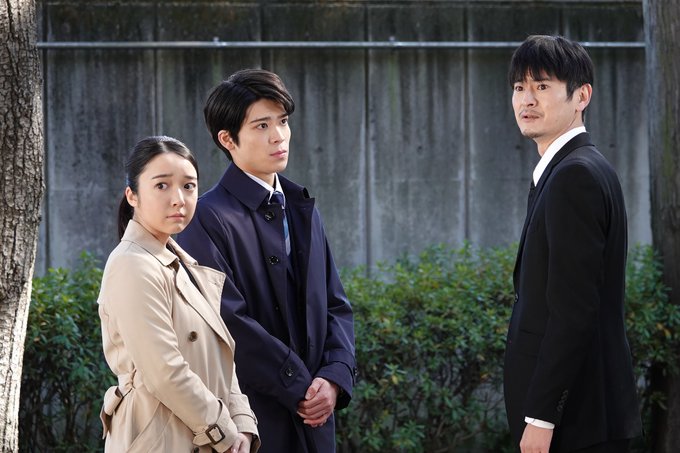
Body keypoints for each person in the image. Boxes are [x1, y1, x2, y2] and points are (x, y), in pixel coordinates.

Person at [177, 69, 357, 453]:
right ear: (228, 139)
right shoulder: (205, 218)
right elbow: (227, 321)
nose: (279, 135)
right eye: (262, 125)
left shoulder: (302, 207)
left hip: (316, 420)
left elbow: (335, 304)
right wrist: (299, 385)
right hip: (252, 421)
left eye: (283, 121)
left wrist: (334, 377)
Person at [503, 35, 643, 453]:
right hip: (586, 420)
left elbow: (573, 310)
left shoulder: (573, 176)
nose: (527, 99)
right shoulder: (577, 167)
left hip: (577, 425)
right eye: (520, 87)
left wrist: (541, 417)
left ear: (582, 96)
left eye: (543, 86)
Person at [98, 136, 260, 453]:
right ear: (132, 195)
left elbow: (219, 355)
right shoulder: (132, 264)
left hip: (201, 433)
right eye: (162, 185)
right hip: (160, 436)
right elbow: (164, 370)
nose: (179, 199)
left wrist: (242, 421)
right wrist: (224, 432)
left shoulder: (181, 263)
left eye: (188, 186)